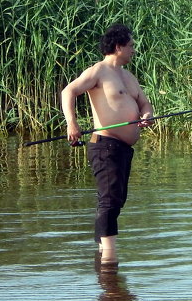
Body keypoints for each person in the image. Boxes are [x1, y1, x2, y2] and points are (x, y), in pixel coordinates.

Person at [60, 23, 153, 265]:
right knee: (109, 198)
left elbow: (144, 103)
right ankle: (110, 259)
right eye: (131, 46)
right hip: (104, 145)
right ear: (118, 46)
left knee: (118, 198)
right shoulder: (98, 72)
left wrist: (146, 116)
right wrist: (72, 124)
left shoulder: (128, 76)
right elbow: (68, 92)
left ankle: (101, 251)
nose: (134, 50)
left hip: (124, 149)